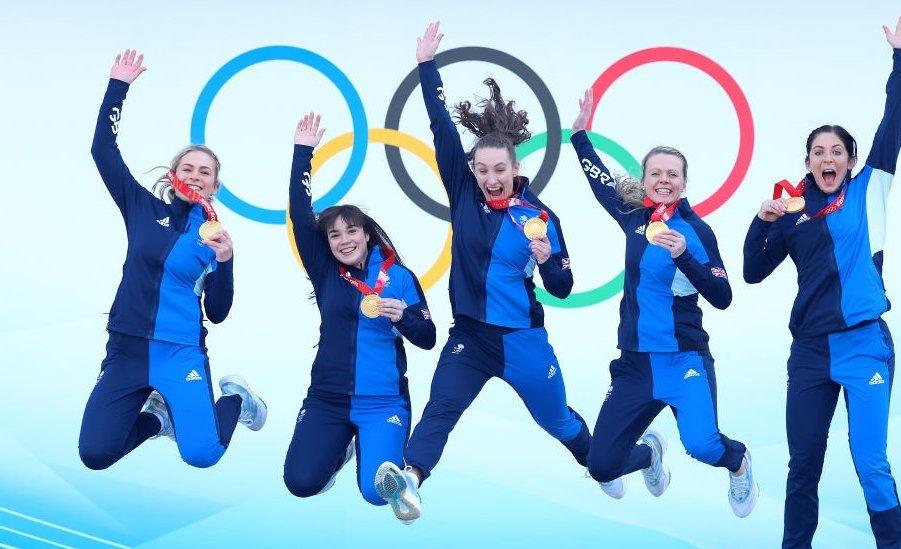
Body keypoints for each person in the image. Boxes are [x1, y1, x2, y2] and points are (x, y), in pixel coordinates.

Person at [374, 22, 592, 524]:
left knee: (560, 424)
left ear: (515, 169)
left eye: (499, 169)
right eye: (482, 169)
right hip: (470, 337)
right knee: (440, 409)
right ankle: (409, 479)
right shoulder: (464, 194)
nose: (491, 177)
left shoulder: (540, 218)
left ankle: (625, 459)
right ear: (472, 170)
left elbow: (562, 286)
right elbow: (441, 127)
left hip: (523, 342)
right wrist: (426, 65)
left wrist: (544, 259)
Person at [743, 15, 901, 548]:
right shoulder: (794, 212)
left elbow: (895, 122)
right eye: (818, 152)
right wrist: (763, 220)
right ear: (807, 162)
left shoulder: (870, 189)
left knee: (871, 464)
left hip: (865, 345)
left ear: (851, 160)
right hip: (810, 353)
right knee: (803, 469)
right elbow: (751, 271)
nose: (827, 158)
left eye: (836, 151)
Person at [568, 88, 758, 516]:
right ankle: (649, 455)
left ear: (684, 182)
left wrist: (683, 256)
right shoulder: (634, 217)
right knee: (600, 465)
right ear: (646, 178)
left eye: (672, 174)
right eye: (656, 174)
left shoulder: (697, 231)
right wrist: (580, 136)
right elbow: (600, 182)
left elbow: (722, 296)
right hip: (635, 363)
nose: (664, 181)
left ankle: (740, 461)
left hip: (683, 359)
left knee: (703, 446)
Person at [79, 50, 266, 471]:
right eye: (188, 168)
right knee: (96, 453)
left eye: (205, 171)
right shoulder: (142, 208)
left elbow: (217, 313)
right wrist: (117, 87)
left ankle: (237, 399)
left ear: (215, 185)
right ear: (172, 176)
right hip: (126, 347)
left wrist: (228, 262)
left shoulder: (214, 238)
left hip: (180, 352)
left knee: (202, 454)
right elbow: (102, 151)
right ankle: (157, 419)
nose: (196, 175)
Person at [283, 112, 436, 507]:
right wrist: (303, 154)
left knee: (375, 494)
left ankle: (374, 457)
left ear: (366, 234)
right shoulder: (325, 272)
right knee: (300, 483)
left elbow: (428, 338)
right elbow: (301, 217)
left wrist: (403, 315)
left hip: (383, 401)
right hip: (327, 399)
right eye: (335, 235)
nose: (344, 240)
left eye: (352, 231)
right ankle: (342, 450)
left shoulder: (399, 277)